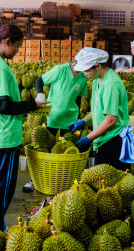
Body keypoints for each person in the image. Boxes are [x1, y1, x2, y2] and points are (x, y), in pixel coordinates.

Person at [0, 25, 46, 231]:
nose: (18, 51)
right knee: (2, 191)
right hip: (4, 138)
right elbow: (3, 105)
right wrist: (32, 104)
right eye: (17, 46)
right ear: (7, 42)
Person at [22, 60, 88, 192]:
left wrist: (78, 116)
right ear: (74, 63)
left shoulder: (83, 77)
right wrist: (41, 94)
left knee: (66, 152)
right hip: (53, 117)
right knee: (44, 149)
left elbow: (79, 97)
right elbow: (40, 80)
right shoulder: (60, 70)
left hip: (70, 119)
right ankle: (33, 181)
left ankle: (61, 181)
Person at [69, 48, 130, 171]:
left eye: (86, 70)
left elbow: (111, 120)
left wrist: (88, 138)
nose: (84, 73)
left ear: (97, 66)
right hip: (102, 139)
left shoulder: (111, 84)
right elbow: (99, 109)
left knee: (111, 185)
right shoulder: (97, 79)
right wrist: (83, 122)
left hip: (114, 142)